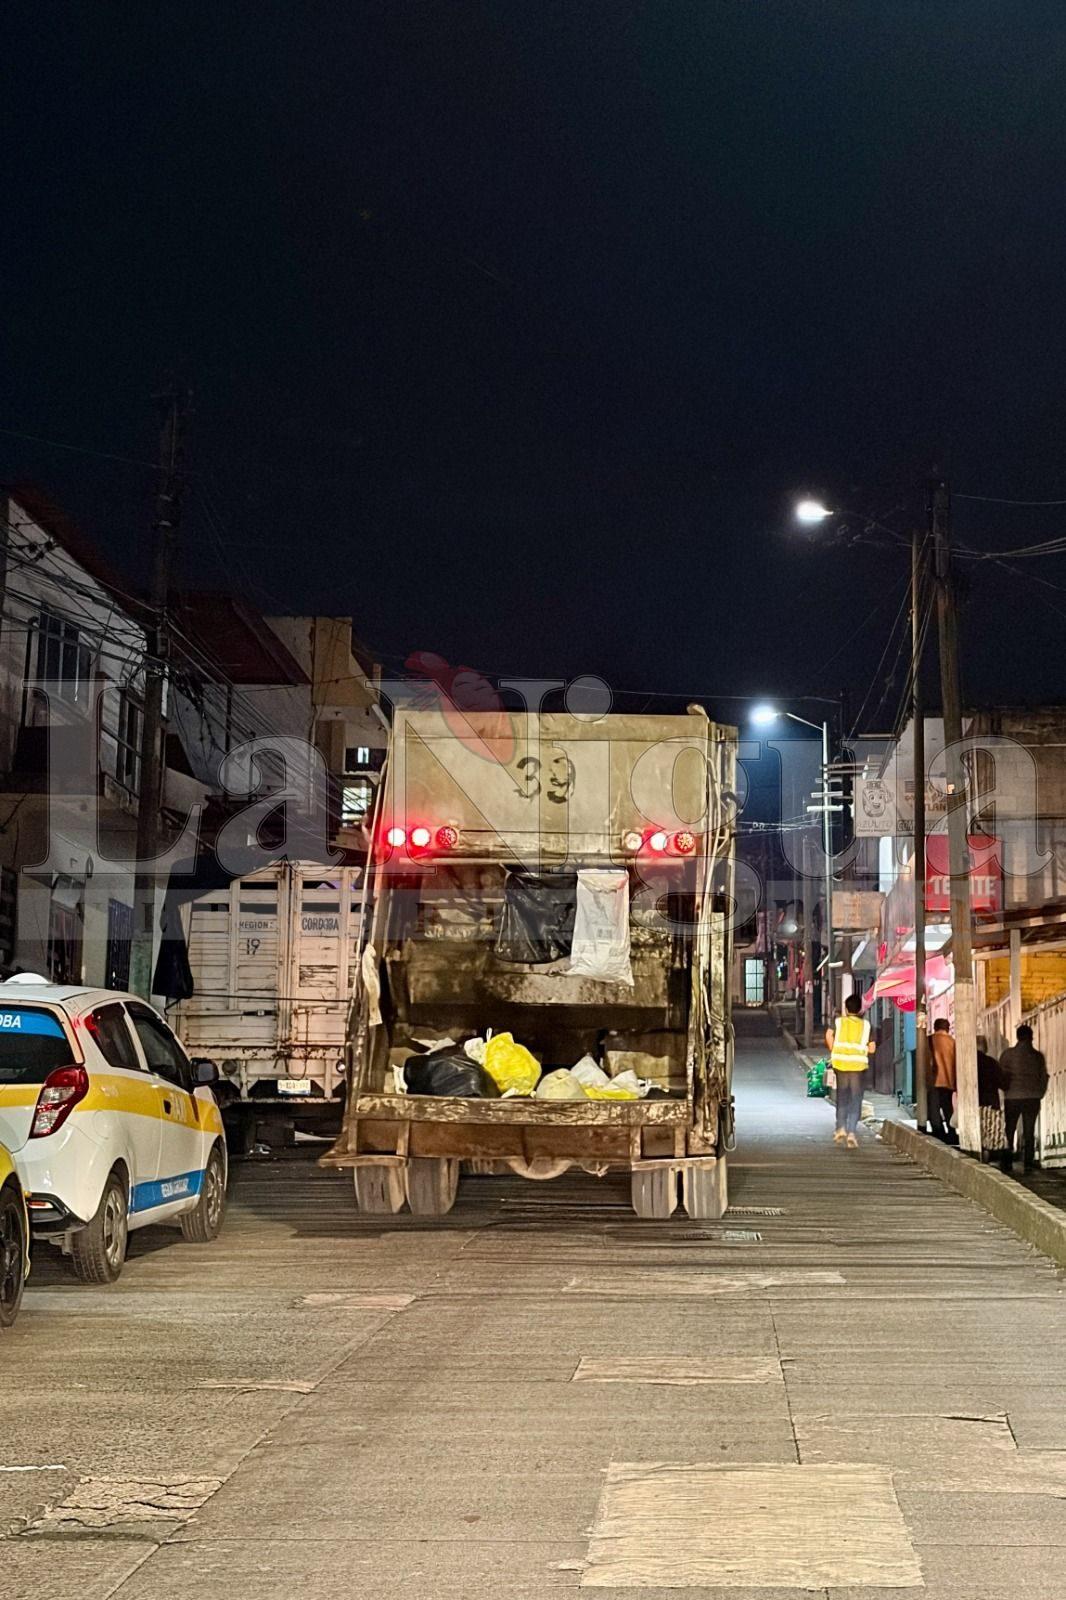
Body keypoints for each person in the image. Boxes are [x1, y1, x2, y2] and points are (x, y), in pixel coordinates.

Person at [825, 993, 876, 1149]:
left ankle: (840, 1128)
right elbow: (872, 1048)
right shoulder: (867, 1026)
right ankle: (852, 1132)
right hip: (858, 1067)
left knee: (842, 1097)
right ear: (860, 1009)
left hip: (840, 1064)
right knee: (856, 1099)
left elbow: (828, 1035)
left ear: (846, 1009)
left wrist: (834, 1049)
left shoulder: (838, 1022)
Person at [999, 1023, 1049, 1174]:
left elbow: (1001, 1075)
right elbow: (1043, 1077)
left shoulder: (1007, 1055)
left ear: (1017, 1037)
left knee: (1009, 1129)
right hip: (1032, 1098)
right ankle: (1028, 1162)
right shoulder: (1038, 1056)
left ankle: (1006, 1161)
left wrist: (1006, 1090)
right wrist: (1040, 1093)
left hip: (1012, 1097)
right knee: (1029, 1131)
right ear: (1031, 1038)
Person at [976, 1033, 1006, 1163]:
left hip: (973, 1104)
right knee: (989, 1135)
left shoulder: (967, 1063)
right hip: (990, 1104)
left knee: (977, 1134)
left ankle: (980, 1157)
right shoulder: (991, 1063)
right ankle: (987, 1159)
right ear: (985, 1047)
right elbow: (1002, 1083)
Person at [928, 1018, 957, 1142]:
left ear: (935, 1027)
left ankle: (939, 1133)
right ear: (948, 1028)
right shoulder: (953, 1042)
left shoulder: (929, 1040)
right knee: (948, 1108)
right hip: (949, 1081)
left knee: (933, 1109)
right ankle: (951, 1133)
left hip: (934, 1080)